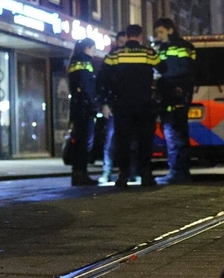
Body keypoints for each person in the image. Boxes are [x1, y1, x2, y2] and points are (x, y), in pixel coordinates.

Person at [97, 24, 164, 187]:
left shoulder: (115, 55)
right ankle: (146, 175)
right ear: (140, 36)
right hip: (144, 104)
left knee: (123, 141)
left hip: (122, 104)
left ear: (127, 36)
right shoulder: (149, 53)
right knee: (144, 141)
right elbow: (164, 68)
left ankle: (123, 176)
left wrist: (105, 101)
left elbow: (101, 79)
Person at [152, 17, 197, 184]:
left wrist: (177, 87)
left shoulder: (181, 47)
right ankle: (178, 170)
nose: (159, 36)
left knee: (175, 132)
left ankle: (179, 171)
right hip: (170, 93)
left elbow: (183, 69)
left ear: (171, 30)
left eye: (161, 32)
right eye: (157, 33)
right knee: (173, 132)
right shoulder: (164, 47)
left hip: (176, 93)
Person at [96, 30, 127, 184]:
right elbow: (102, 82)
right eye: (120, 43)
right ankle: (107, 172)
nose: (122, 47)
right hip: (114, 104)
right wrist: (105, 104)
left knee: (128, 141)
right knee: (111, 140)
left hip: (127, 104)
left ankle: (129, 172)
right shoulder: (111, 58)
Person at [67, 38, 99, 186]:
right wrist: (92, 103)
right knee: (84, 142)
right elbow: (86, 85)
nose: (94, 51)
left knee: (79, 141)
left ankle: (78, 173)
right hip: (84, 108)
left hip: (77, 106)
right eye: (93, 48)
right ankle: (81, 174)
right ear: (87, 48)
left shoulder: (74, 61)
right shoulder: (84, 61)